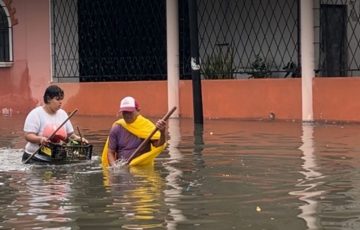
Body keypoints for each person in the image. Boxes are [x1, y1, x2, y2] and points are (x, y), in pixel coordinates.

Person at [22, 85, 88, 164]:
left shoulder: (63, 114)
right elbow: (28, 135)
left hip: (56, 156)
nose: (60, 102)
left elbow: (70, 135)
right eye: (57, 99)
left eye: (61, 99)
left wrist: (79, 139)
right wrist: (40, 139)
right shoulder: (35, 114)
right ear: (48, 99)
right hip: (35, 157)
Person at [102, 96, 167, 167]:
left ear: (138, 110)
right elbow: (110, 152)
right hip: (123, 168)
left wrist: (162, 132)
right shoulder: (116, 128)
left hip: (142, 168)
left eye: (130, 112)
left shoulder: (146, 126)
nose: (127, 115)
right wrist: (115, 167)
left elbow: (158, 144)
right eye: (124, 112)